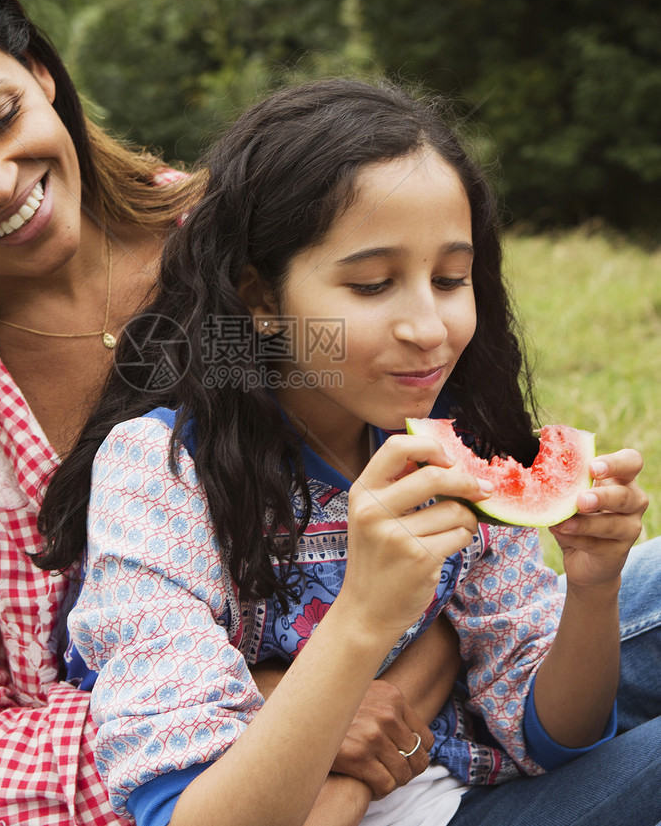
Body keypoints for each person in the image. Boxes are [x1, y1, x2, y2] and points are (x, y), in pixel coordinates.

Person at [0, 0, 464, 826]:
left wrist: (375, 694)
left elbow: (410, 429)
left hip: (415, 727)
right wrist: (258, 709)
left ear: (42, 75)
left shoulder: (228, 262)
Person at [41, 78, 660, 826]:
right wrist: (365, 615)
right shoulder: (157, 474)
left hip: (466, 789)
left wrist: (592, 591)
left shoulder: (456, 437)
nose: (428, 327)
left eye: (451, 279)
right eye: (373, 285)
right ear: (261, 300)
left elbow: (549, 735)